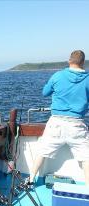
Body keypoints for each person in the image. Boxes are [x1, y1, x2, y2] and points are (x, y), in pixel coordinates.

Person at [28, 50, 89, 186]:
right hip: (77, 124)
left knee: (42, 151)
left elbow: (45, 93)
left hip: (56, 123)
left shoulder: (58, 75)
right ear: (83, 63)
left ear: (69, 61)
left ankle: (31, 179)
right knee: (86, 158)